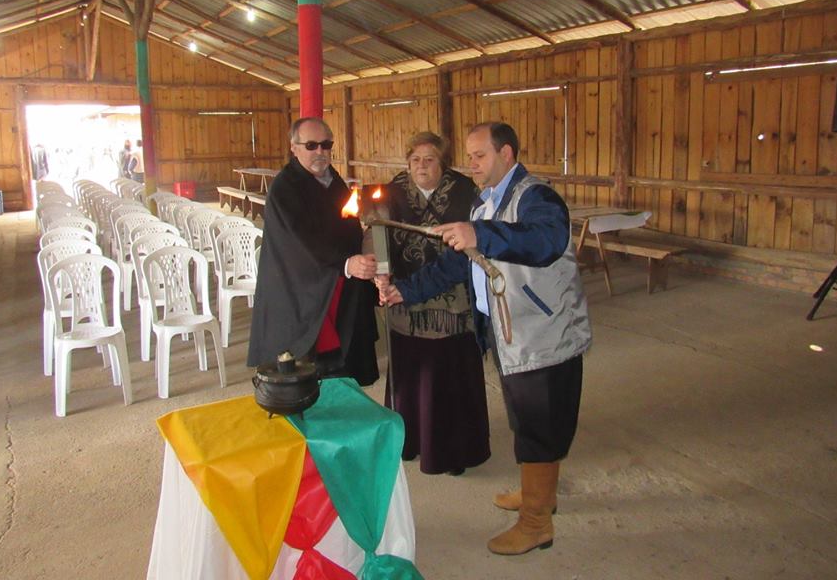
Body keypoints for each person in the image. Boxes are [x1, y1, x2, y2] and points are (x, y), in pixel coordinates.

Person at [378, 122, 591, 556]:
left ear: (506, 154)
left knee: (539, 424)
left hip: (542, 333)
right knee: (526, 419)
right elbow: (460, 264)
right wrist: (407, 290)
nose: (471, 164)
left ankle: (536, 523)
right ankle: (538, 492)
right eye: (471, 156)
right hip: (510, 332)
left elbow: (547, 239)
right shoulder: (485, 202)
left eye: (480, 156)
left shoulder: (535, 196)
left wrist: (482, 234)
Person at [375, 131, 490, 476]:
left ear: (443, 163)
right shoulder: (391, 192)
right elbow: (374, 233)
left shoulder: (467, 194)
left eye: (429, 159)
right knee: (412, 376)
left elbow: (468, 252)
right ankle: (410, 441)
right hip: (404, 304)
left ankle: (453, 452)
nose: (421, 166)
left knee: (449, 377)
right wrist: (379, 272)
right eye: (415, 160)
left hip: (452, 305)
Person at [248, 117, 379, 385]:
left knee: (347, 364)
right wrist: (346, 263)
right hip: (305, 289)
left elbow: (348, 222)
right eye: (311, 145)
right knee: (311, 373)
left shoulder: (334, 180)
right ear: (294, 148)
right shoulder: (285, 187)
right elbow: (300, 241)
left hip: (343, 282)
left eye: (326, 145)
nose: (320, 151)